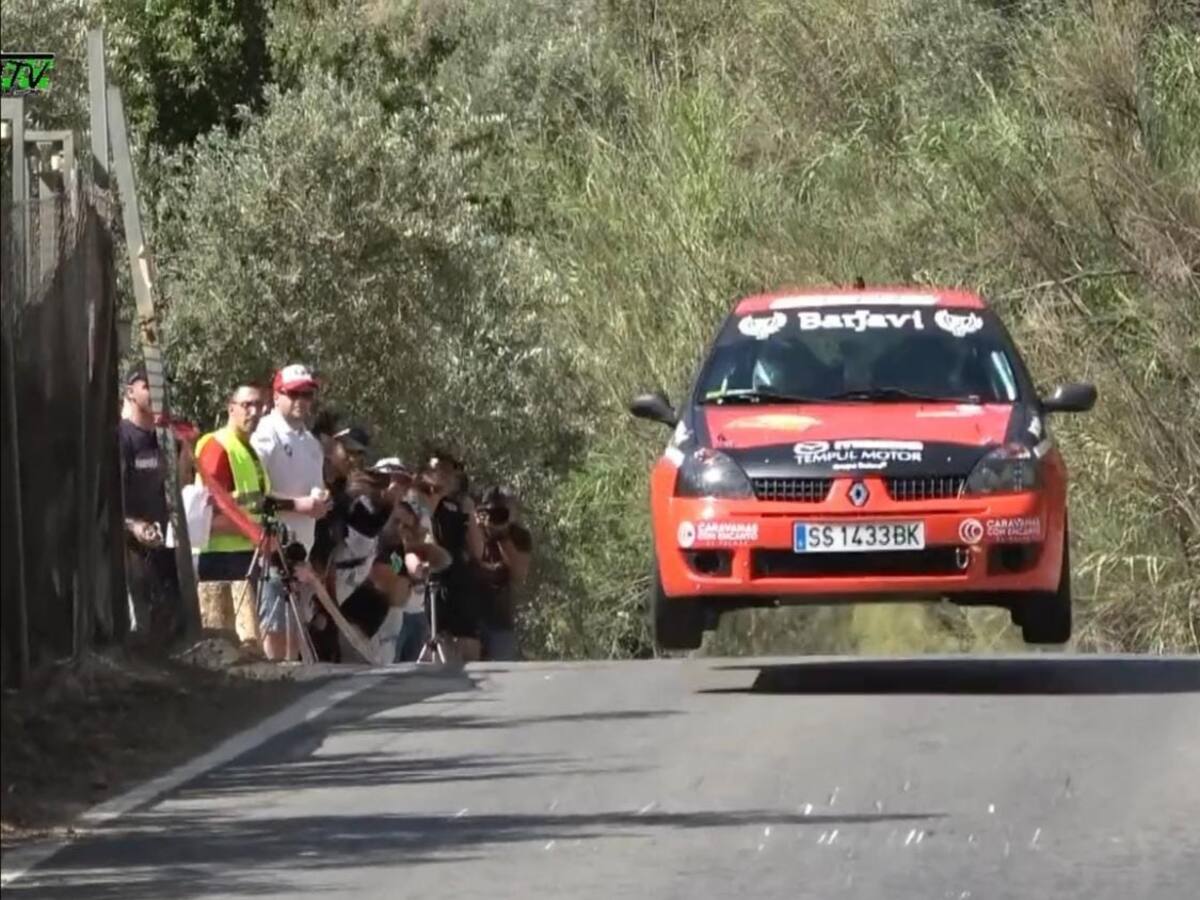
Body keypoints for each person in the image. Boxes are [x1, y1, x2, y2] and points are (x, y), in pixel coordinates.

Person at [250, 364, 331, 660]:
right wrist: (297, 505)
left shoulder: (311, 443)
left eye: (307, 394)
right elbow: (253, 497)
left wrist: (321, 501)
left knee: (295, 637)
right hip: (271, 550)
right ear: (276, 395)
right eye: (294, 393)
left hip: (302, 552)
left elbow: (315, 489)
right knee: (275, 634)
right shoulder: (264, 434)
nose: (302, 400)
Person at [193, 381, 271, 643]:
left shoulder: (248, 450)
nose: (254, 412)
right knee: (221, 642)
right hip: (220, 559)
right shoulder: (217, 446)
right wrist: (253, 532)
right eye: (247, 405)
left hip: (247, 555)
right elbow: (208, 514)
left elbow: (254, 503)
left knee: (248, 643)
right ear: (231, 409)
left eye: (259, 405)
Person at [118, 364, 180, 642]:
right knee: (138, 631)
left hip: (164, 549)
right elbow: (107, 499)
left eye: (161, 385)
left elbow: (178, 485)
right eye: (148, 385)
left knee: (168, 627)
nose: (158, 391)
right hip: (127, 553)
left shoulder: (166, 438)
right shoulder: (120, 437)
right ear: (130, 392)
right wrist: (133, 526)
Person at [419, 451, 486, 662]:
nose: (446, 475)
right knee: (437, 642)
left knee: (467, 643)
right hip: (433, 579)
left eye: (451, 471)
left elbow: (478, 550)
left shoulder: (459, 504)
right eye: (440, 470)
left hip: (460, 580)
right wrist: (436, 493)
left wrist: (470, 515)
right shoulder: (420, 499)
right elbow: (422, 525)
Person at [474, 486, 533, 661]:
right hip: (469, 618)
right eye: (494, 510)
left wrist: (502, 536)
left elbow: (518, 574)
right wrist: (477, 529)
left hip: (500, 619)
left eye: (505, 510)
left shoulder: (519, 536)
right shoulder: (474, 529)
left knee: (504, 673)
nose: (499, 515)